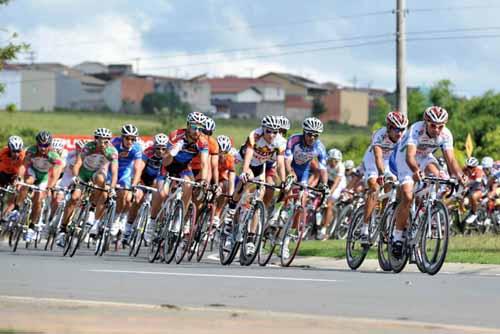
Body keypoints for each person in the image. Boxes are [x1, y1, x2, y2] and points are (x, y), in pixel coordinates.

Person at [389, 106, 464, 259]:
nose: (437, 130)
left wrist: (459, 176)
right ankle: (397, 236)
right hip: (405, 160)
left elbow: (450, 159)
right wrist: (416, 172)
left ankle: (427, 205)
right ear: (426, 123)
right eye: (433, 126)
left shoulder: (446, 134)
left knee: (438, 175)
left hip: (425, 158)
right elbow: (410, 156)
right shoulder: (416, 129)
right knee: (408, 197)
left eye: (440, 126)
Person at [227, 115, 287, 255]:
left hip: (261, 164)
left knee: (259, 197)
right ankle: (231, 212)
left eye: (275, 132)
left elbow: (280, 164)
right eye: (268, 131)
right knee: (246, 180)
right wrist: (244, 171)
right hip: (247, 159)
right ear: (263, 129)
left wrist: (283, 181)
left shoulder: (281, 142)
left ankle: (250, 239)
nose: (271, 135)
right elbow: (248, 154)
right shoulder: (255, 134)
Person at [147, 112, 209, 241]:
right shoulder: (176, 135)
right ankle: (152, 222)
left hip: (183, 167)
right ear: (187, 126)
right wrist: (172, 151)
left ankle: (178, 220)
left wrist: (204, 180)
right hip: (168, 166)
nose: (197, 131)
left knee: (188, 186)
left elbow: (205, 163)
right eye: (193, 127)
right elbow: (164, 161)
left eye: (200, 128)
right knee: (162, 194)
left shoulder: (203, 141)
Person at [57, 128, 119, 247]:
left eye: (106, 141)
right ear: (96, 140)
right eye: (101, 140)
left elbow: (114, 171)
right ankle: (63, 229)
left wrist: (112, 188)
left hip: (98, 172)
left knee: (101, 180)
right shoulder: (88, 147)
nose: (103, 144)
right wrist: (75, 177)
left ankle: (91, 209)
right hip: (84, 172)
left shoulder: (112, 151)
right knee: (74, 198)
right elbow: (78, 163)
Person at [359, 111, 408, 243]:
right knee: (375, 187)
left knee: (391, 189)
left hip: (388, 162)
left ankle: (383, 220)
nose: (399, 133)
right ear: (389, 127)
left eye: (402, 130)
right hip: (372, 161)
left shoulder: (404, 137)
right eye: (396, 129)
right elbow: (378, 157)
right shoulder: (380, 135)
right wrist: (382, 173)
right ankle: (364, 228)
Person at [19, 131, 63, 242]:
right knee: (27, 181)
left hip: (44, 176)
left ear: (50, 144)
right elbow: (24, 165)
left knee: (38, 200)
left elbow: (55, 174)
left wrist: (50, 187)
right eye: (40, 145)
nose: (43, 148)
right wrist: (19, 178)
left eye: (46, 145)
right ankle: (17, 207)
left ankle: (32, 227)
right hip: (32, 171)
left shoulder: (53, 155)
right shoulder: (31, 150)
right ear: (37, 143)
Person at [111, 124, 144, 244]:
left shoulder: (137, 148)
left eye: (133, 139)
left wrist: (134, 185)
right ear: (122, 137)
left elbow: (137, 168)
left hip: (125, 170)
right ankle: (108, 217)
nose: (130, 141)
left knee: (126, 195)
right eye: (127, 138)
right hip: (112, 169)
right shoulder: (114, 143)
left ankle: (121, 217)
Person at [318, 148, 345, 240]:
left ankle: (324, 229)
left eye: (335, 161)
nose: (332, 163)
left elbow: (337, 182)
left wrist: (329, 193)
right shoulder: (325, 164)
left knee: (329, 203)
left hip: (338, 184)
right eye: (330, 160)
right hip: (328, 181)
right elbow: (321, 176)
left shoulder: (341, 167)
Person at [0, 136, 26, 221]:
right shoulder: (3, 152)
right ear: (9, 149)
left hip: (14, 176)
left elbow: (24, 169)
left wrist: (18, 179)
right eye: (14, 151)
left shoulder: (23, 156)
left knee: (17, 190)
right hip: (2, 174)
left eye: (18, 151)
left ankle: (7, 214)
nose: (16, 154)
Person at [463, 157, 485, 225]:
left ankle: (474, 213)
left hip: (479, 189)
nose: (469, 169)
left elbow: (476, 184)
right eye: (468, 166)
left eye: (471, 167)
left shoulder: (479, 171)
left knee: (473, 196)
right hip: (469, 188)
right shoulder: (465, 169)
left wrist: (468, 192)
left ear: (475, 167)